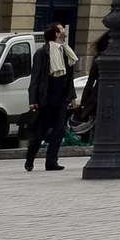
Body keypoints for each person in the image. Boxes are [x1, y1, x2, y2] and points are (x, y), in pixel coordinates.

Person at [24, 24, 78, 172]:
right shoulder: (42, 53)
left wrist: (71, 97)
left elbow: (69, 78)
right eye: (61, 30)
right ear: (55, 34)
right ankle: (30, 159)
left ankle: (51, 161)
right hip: (46, 98)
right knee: (40, 131)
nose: (64, 33)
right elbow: (35, 78)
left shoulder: (66, 52)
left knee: (59, 131)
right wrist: (33, 100)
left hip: (61, 98)